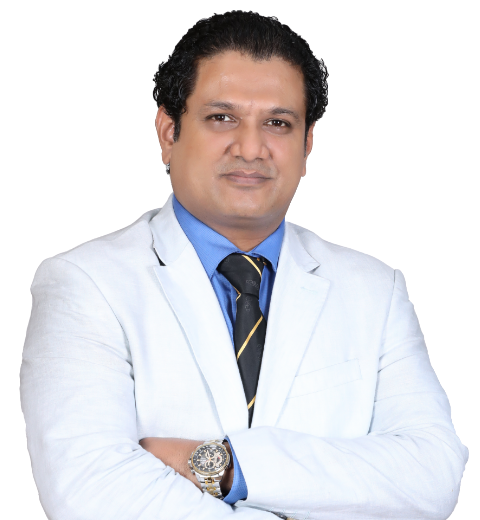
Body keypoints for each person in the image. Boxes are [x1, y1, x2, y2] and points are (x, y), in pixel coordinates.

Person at [20, 10, 468, 520]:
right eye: (222, 118)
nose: (251, 148)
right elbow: (90, 491)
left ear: (307, 144)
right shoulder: (84, 282)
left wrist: (228, 469)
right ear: (168, 132)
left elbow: (432, 475)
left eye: (278, 123)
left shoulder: (374, 289)